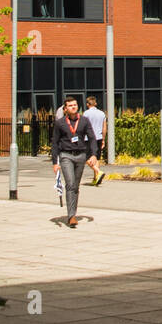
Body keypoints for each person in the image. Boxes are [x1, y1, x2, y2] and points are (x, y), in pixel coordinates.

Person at [51, 96, 99, 227]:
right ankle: (71, 216)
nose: (73, 107)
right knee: (70, 184)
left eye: (75, 105)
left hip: (80, 156)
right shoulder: (60, 123)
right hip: (66, 155)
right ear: (65, 109)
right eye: (70, 105)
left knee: (75, 186)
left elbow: (92, 138)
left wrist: (94, 155)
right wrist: (55, 162)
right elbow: (54, 143)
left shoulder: (84, 121)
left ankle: (73, 212)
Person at [83, 95, 107, 183]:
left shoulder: (86, 113)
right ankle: (96, 178)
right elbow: (104, 128)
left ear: (87, 104)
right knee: (96, 157)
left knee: (85, 157)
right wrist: (103, 139)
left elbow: (83, 126)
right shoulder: (102, 114)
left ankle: (98, 172)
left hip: (88, 138)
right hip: (99, 137)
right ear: (95, 103)